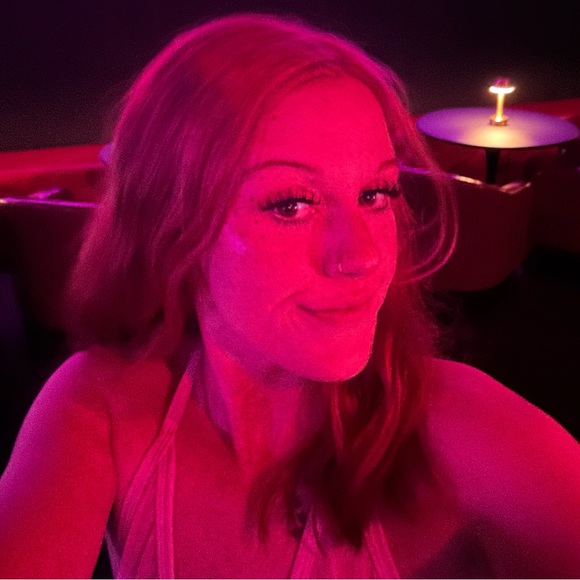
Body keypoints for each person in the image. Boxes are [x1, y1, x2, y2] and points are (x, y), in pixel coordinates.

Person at [1, 12, 579, 579]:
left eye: (376, 193)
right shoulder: (101, 410)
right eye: (291, 204)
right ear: (172, 230)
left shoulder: (469, 432)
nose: (362, 256)